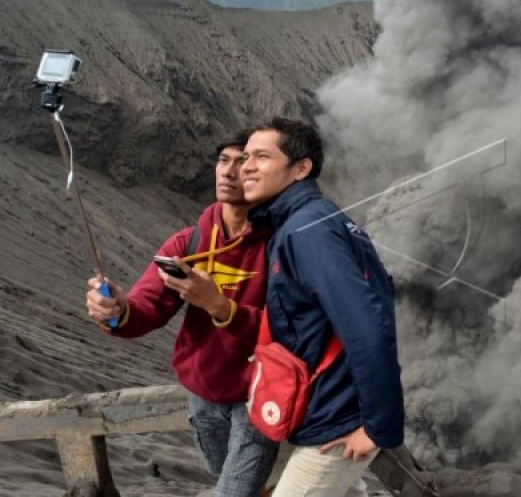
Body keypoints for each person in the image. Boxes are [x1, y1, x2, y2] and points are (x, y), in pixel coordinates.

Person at [85, 132, 279, 497]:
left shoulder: (281, 246)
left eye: (243, 162)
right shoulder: (188, 244)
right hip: (203, 397)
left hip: (258, 396)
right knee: (241, 488)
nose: (229, 171)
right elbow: (147, 309)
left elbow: (289, 330)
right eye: (223, 160)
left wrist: (218, 305)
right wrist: (116, 310)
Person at [241, 117, 404, 497]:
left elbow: (367, 328)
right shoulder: (308, 222)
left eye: (262, 156)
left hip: (338, 422)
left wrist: (379, 427)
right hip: (327, 412)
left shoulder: (307, 230)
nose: (245, 165)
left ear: (301, 168)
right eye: (246, 156)